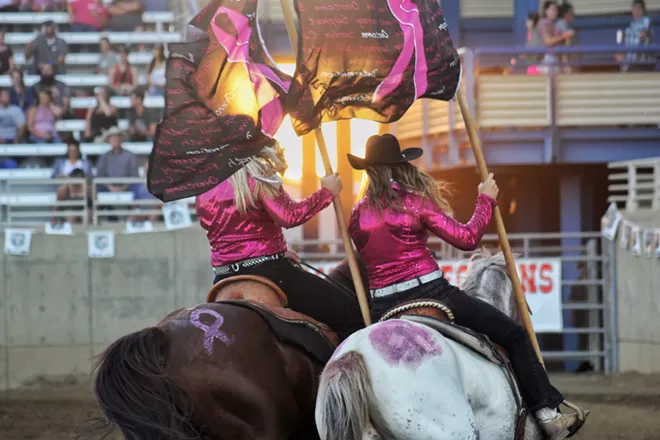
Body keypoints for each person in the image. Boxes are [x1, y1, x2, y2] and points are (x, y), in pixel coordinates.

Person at [346, 134, 589, 440]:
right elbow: (466, 239)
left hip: (382, 305)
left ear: (368, 171)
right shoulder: (414, 202)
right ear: (399, 166)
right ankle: (546, 412)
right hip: (430, 293)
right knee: (514, 335)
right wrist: (485, 200)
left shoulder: (356, 215)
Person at [195, 141, 365, 342]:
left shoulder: (205, 186)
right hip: (270, 272)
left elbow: (228, 232)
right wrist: (326, 192)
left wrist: (277, 250)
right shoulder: (258, 175)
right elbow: (289, 216)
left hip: (223, 277)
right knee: (352, 314)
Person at [95, 126, 138, 192]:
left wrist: (125, 187)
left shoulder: (130, 156)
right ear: (109, 140)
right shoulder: (104, 157)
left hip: (128, 189)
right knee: (97, 189)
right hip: (107, 189)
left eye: (118, 137)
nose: (115, 139)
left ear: (121, 139)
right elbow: (100, 176)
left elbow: (134, 175)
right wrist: (109, 187)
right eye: (113, 137)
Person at [618, 0, 653, 71]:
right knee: (619, 57)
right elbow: (626, 42)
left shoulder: (646, 21)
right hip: (630, 57)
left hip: (640, 57)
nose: (636, 11)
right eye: (634, 9)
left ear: (643, 10)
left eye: (638, 9)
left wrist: (644, 34)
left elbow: (643, 36)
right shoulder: (631, 25)